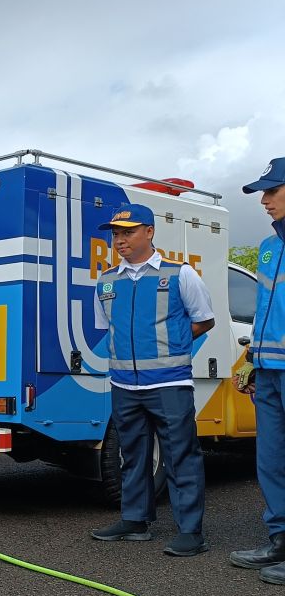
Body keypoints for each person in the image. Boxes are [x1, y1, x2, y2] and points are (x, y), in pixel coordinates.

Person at [90, 203, 215, 557]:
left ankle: (191, 531)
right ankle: (134, 521)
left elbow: (204, 320)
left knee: (180, 456)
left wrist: (175, 343)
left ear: (149, 232)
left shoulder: (180, 275)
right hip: (124, 385)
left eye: (128, 232)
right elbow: (108, 328)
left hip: (169, 383)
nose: (120, 240)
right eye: (115, 233)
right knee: (132, 455)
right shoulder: (106, 282)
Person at [230, 158, 285, 585]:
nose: (264, 201)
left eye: (272, 191)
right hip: (267, 370)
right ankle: (280, 538)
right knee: (270, 459)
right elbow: (267, 313)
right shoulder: (269, 247)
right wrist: (250, 362)